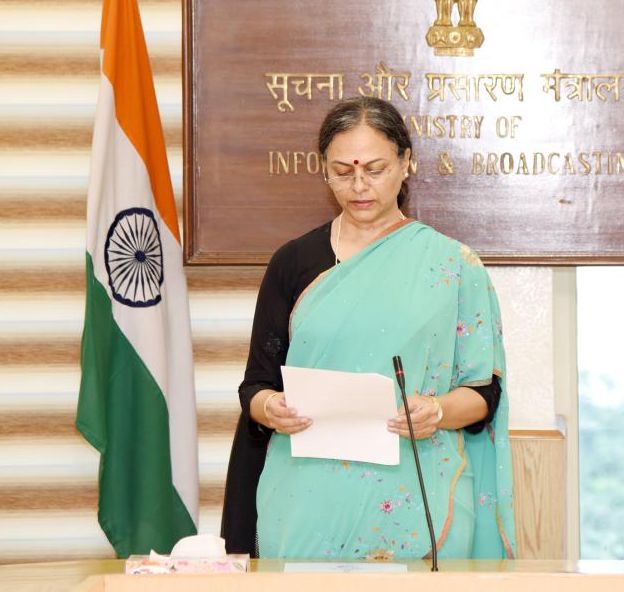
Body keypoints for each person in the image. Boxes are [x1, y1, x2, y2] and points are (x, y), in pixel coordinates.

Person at [221, 97, 515, 560]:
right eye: (342, 172)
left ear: (406, 164)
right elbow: (256, 386)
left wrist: (436, 411)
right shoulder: (293, 263)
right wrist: (269, 408)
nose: (359, 186)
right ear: (324, 170)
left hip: (417, 498)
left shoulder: (453, 267)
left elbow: (484, 393)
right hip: (306, 501)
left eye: (375, 169)